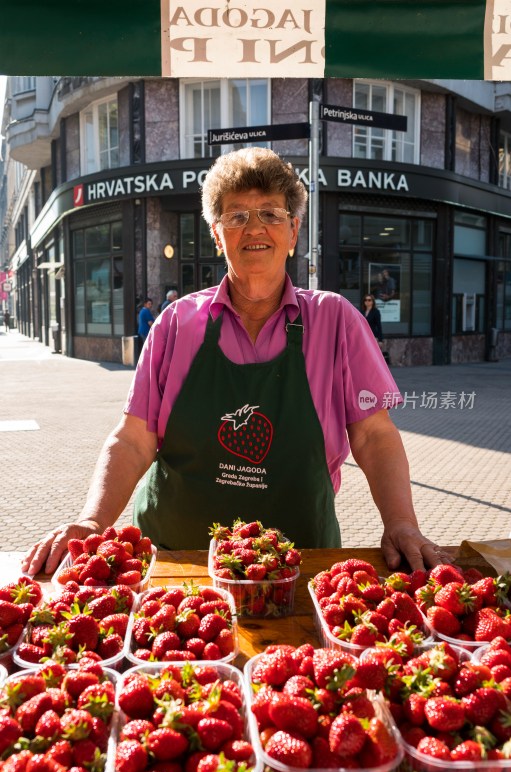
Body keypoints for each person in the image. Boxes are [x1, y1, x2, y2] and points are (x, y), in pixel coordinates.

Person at [22, 147, 453, 577]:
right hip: (175, 566)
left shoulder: (337, 321)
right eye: (237, 216)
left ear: (293, 230)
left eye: (270, 213)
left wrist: (401, 523)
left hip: (299, 565)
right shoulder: (176, 324)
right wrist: (94, 520)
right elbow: (134, 439)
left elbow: (375, 436)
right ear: (216, 233)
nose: (254, 228)